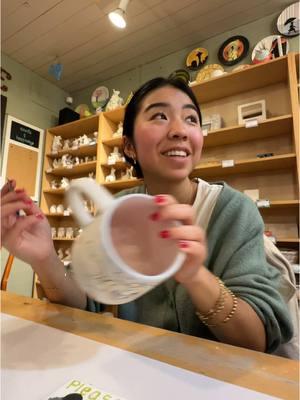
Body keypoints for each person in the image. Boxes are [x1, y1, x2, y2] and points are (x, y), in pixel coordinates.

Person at [1, 77, 293, 355]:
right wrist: (44, 259)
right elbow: (87, 299)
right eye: (159, 116)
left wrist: (194, 275)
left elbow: (257, 340)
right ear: (129, 146)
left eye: (191, 119)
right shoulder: (119, 208)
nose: (180, 130)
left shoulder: (233, 210)